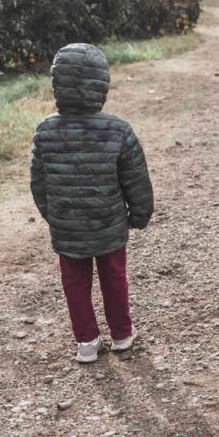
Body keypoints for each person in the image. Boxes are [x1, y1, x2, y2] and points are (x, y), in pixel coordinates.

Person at [30, 43, 154, 363]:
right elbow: (136, 179)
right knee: (114, 277)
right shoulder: (118, 130)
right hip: (109, 224)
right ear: (101, 85)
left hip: (67, 228)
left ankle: (86, 341)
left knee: (74, 282)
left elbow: (38, 183)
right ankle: (121, 334)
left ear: (58, 84)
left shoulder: (45, 131)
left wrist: (54, 216)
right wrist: (138, 216)